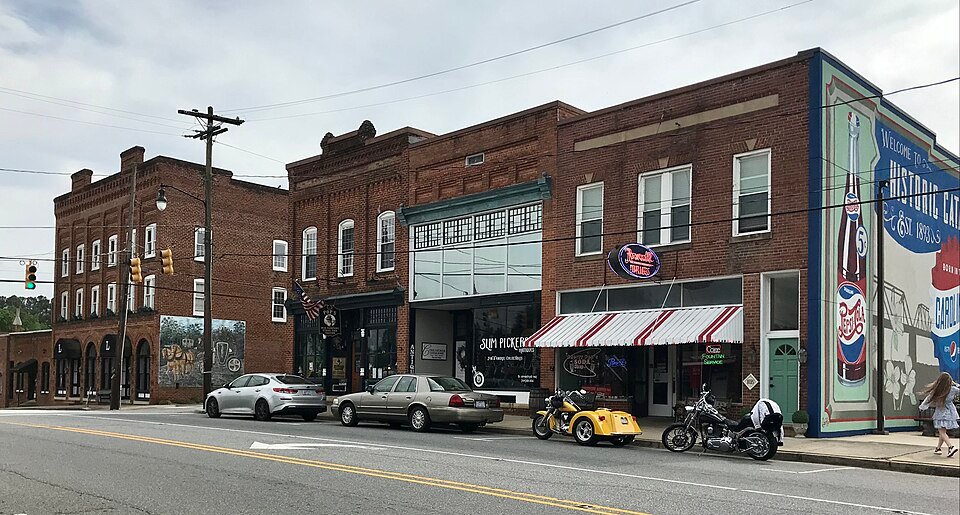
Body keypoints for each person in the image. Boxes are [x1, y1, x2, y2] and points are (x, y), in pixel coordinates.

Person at [918, 372, 960, 457]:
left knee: (942, 432)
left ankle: (951, 447)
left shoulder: (937, 390)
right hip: (951, 412)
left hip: (941, 412)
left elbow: (928, 399)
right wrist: (956, 384)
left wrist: (922, 407)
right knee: (943, 432)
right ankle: (938, 448)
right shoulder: (953, 389)